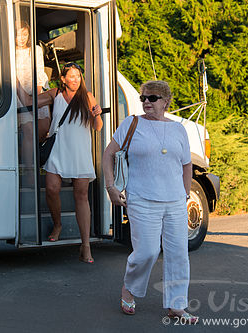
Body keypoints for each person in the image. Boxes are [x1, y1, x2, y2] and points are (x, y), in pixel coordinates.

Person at [102, 80, 197, 322]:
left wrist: (185, 194)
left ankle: (177, 305)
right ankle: (130, 288)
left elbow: (187, 165)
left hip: (175, 201)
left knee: (178, 254)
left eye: (152, 98)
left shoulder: (179, 130)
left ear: (166, 102)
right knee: (147, 251)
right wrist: (110, 186)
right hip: (142, 199)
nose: (146, 102)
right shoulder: (131, 124)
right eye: (144, 97)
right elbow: (108, 154)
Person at [17, 62, 103, 263]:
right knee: (52, 188)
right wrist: (16, 81)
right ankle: (58, 224)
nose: (75, 79)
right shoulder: (55, 94)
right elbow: (29, 101)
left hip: (80, 152)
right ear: (63, 79)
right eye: (71, 76)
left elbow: (97, 127)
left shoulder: (87, 96)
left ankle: (86, 246)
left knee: (81, 195)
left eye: (78, 76)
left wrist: (97, 114)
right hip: (58, 149)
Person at [15, 21, 50, 178]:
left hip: (35, 92)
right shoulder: (9, 50)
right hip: (17, 94)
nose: (21, 38)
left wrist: (34, 98)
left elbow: (39, 72)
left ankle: (38, 164)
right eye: (18, 34)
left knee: (43, 130)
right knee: (29, 129)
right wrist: (24, 98)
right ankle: (30, 173)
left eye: (24, 34)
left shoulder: (35, 50)